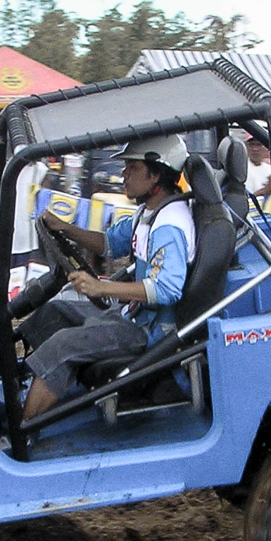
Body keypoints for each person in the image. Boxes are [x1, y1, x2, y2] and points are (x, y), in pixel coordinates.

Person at [17, 135, 193, 421]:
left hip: (147, 331)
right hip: (129, 314)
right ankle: (29, 388)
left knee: (62, 345)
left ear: (156, 173)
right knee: (54, 312)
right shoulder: (149, 213)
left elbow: (167, 288)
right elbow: (110, 243)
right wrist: (65, 227)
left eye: (132, 168)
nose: (123, 175)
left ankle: (21, 433)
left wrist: (101, 287)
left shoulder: (169, 224)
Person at [243, 132, 271, 197]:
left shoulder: (270, 169)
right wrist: (265, 191)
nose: (255, 149)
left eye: (259, 145)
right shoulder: (242, 169)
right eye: (252, 145)